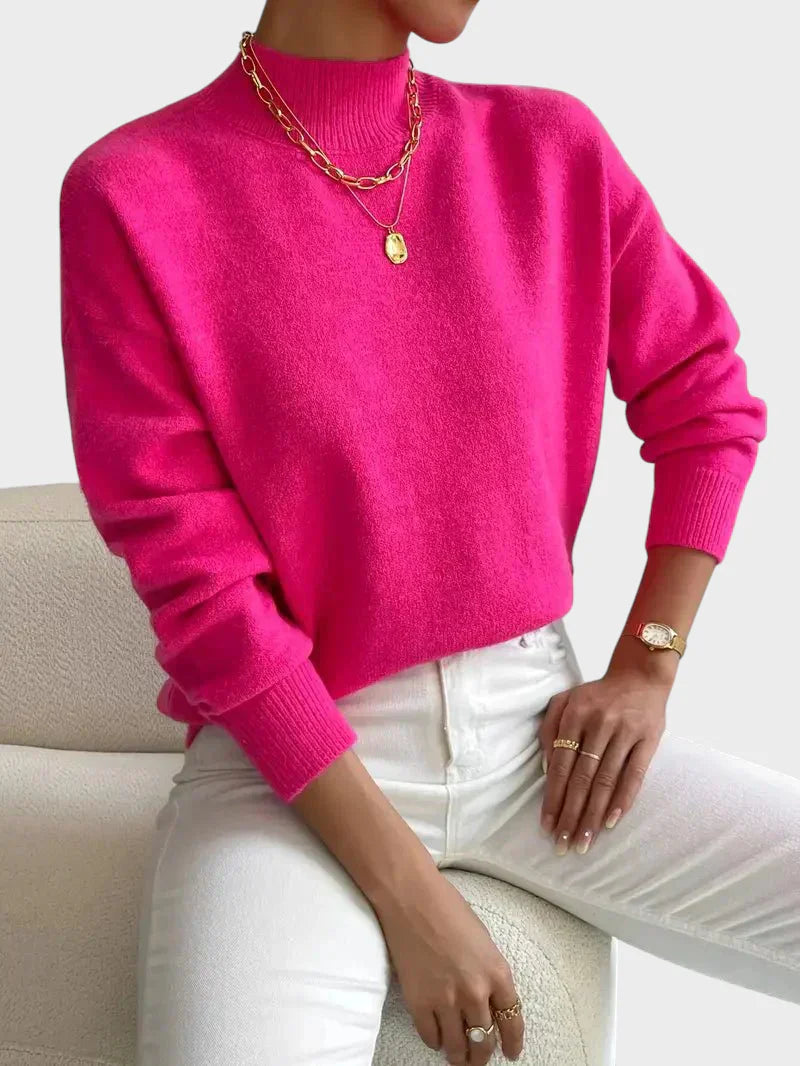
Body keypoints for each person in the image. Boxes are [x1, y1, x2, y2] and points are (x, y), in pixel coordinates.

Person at [57, 1, 797, 1064]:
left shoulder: (548, 147)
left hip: (541, 744)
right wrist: (408, 892)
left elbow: (706, 399)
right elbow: (199, 588)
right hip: (291, 775)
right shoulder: (135, 192)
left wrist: (649, 662)